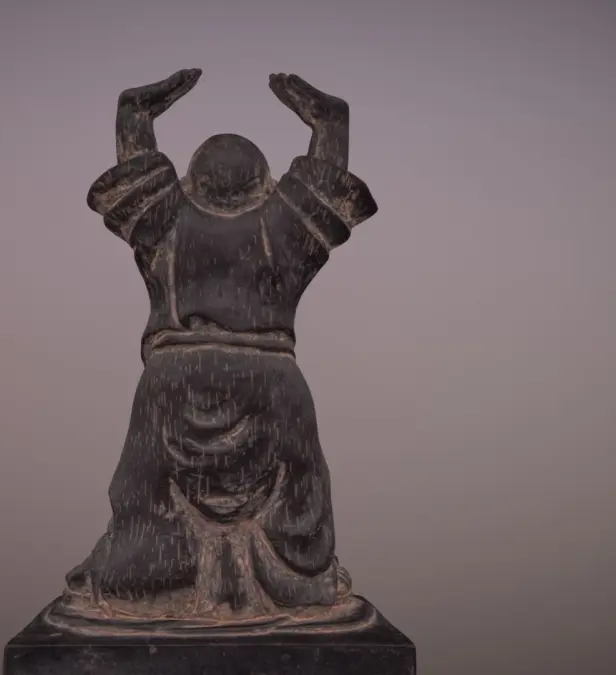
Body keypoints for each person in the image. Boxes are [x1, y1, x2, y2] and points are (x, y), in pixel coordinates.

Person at [54, 69, 378, 630]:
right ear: (266, 184)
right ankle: (298, 585)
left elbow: (139, 182)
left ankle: (150, 582)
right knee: (295, 502)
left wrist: (135, 114)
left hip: (174, 378)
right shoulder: (285, 228)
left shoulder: (167, 221)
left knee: (148, 498)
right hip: (272, 381)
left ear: (190, 183)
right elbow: (323, 190)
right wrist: (329, 124)